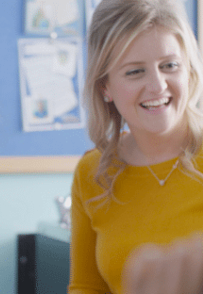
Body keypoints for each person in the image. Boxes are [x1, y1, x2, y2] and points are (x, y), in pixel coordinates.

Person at [68, 0, 203, 293]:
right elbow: (86, 287)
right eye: (135, 72)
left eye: (169, 66)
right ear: (105, 86)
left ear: (188, 69)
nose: (157, 86)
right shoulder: (92, 172)